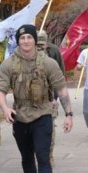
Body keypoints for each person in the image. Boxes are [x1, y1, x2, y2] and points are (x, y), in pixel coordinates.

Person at [0, 24, 73, 173]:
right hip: (20, 116)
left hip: (43, 113)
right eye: (22, 38)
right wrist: (5, 109)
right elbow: (0, 89)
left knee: (43, 154)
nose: (26, 41)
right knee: (26, 156)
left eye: (29, 38)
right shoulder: (10, 64)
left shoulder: (48, 63)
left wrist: (69, 114)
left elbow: (61, 89)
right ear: (18, 41)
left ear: (34, 40)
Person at [37, 30, 65, 165]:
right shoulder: (28, 51)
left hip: (50, 97)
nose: (40, 47)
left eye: (42, 44)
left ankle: (49, 153)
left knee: (49, 127)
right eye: (38, 44)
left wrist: (56, 96)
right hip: (33, 99)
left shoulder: (54, 51)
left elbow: (60, 74)